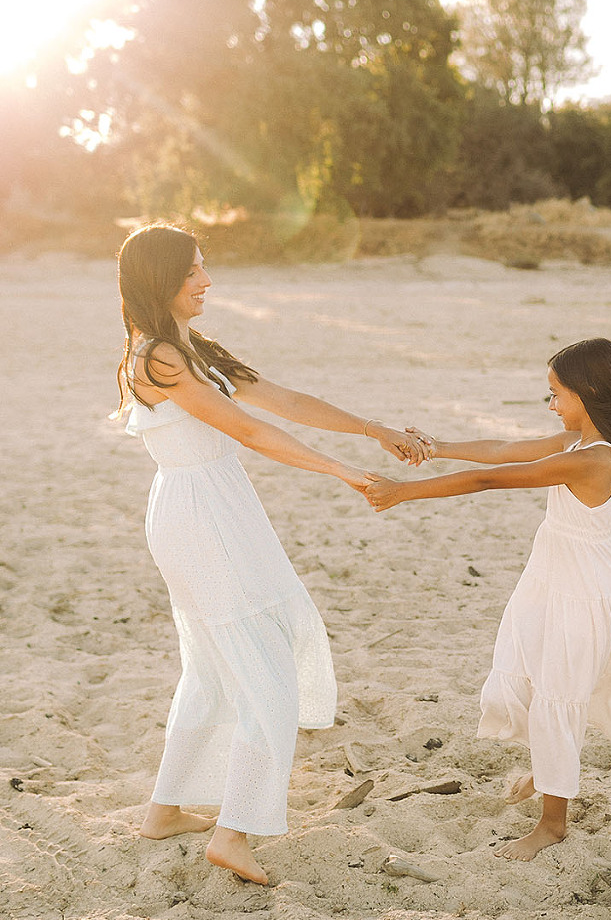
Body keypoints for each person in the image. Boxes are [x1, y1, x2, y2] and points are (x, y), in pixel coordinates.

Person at [116, 223, 429, 884]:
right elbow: (248, 429)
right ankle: (233, 833)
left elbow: (279, 400)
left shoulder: (189, 348)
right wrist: (342, 472)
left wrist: (372, 429)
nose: (206, 281)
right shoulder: (158, 359)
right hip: (202, 515)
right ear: (158, 280)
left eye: (204, 268)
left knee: (209, 670)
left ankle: (163, 811)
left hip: (211, 507)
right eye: (192, 271)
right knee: (269, 679)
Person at [364, 338, 611, 861]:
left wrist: (403, 492)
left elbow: (492, 478)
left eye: (555, 393)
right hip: (556, 584)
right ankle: (550, 767)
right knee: (538, 674)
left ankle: (552, 824)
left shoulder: (593, 459)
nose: (550, 404)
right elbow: (503, 451)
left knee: (560, 691)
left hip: (582, 595)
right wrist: (435, 446)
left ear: (590, 392)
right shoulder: (576, 443)